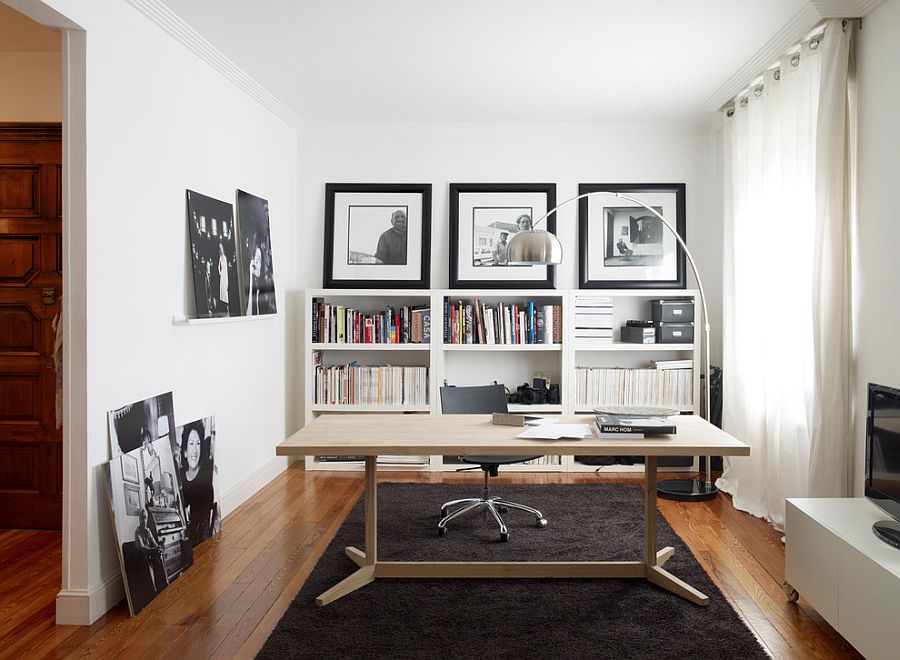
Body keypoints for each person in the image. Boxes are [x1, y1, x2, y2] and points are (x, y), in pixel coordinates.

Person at [179, 421, 218, 547]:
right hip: (188, 535)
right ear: (185, 451)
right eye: (191, 444)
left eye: (198, 443)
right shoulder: (180, 476)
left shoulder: (207, 471)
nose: (195, 450)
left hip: (203, 538)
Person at [134, 508, 164, 592]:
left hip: (149, 555)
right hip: (140, 559)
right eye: (142, 518)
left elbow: (155, 544)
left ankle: (162, 584)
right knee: (147, 560)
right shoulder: (137, 532)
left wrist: (159, 548)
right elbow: (143, 549)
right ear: (139, 519)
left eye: (145, 518)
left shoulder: (148, 531)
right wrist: (155, 549)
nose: (144, 520)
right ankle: (153, 589)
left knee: (160, 555)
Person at [217, 243, 229, 314]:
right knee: (222, 291)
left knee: (225, 290)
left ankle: (227, 305)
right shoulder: (220, 258)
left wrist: (224, 275)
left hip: (225, 275)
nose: (220, 250)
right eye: (219, 248)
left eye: (221, 248)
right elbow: (218, 266)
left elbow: (226, 269)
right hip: (222, 275)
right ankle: (224, 306)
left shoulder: (224, 257)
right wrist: (220, 272)